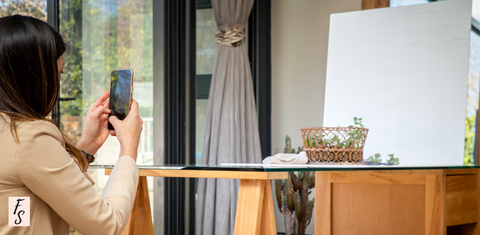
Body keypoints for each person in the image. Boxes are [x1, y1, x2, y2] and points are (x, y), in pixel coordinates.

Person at [0, 15, 143, 235]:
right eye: (57, 74)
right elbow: (107, 224)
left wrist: (88, 145)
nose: (57, 86)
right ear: (34, 78)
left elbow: (22, 206)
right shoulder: (27, 138)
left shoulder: (8, 131)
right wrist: (129, 150)